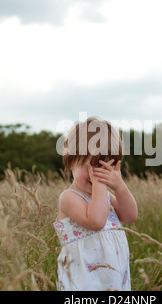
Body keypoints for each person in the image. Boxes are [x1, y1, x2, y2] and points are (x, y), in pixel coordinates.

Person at [53, 117, 138, 291]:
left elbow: (130, 216)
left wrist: (120, 187)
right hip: (84, 281)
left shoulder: (106, 197)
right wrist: (101, 184)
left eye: (104, 168)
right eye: (89, 168)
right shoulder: (69, 198)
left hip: (113, 277)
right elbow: (96, 222)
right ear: (71, 163)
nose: (96, 175)